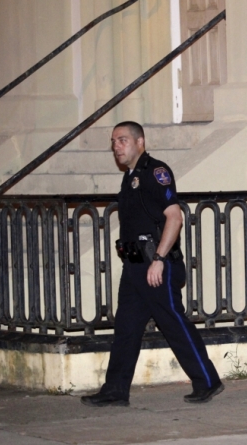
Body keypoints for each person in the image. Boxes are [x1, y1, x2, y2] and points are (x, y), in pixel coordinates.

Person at [81, 122, 224, 407]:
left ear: (140, 142)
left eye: (122, 140)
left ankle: (208, 381)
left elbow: (175, 217)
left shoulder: (156, 172)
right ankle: (116, 390)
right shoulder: (131, 177)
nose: (116, 146)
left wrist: (158, 259)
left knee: (173, 324)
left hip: (155, 265)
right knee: (126, 328)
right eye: (113, 142)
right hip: (135, 267)